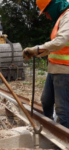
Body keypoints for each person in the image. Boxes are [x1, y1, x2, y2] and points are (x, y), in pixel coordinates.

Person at [23, 0, 69, 129]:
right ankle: (50, 129)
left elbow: (60, 42)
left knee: (62, 110)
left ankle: (64, 139)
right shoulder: (60, 18)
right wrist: (35, 53)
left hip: (64, 71)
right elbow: (54, 47)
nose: (47, 16)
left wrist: (37, 49)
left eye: (46, 12)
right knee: (46, 101)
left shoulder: (68, 16)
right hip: (54, 69)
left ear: (53, 6)